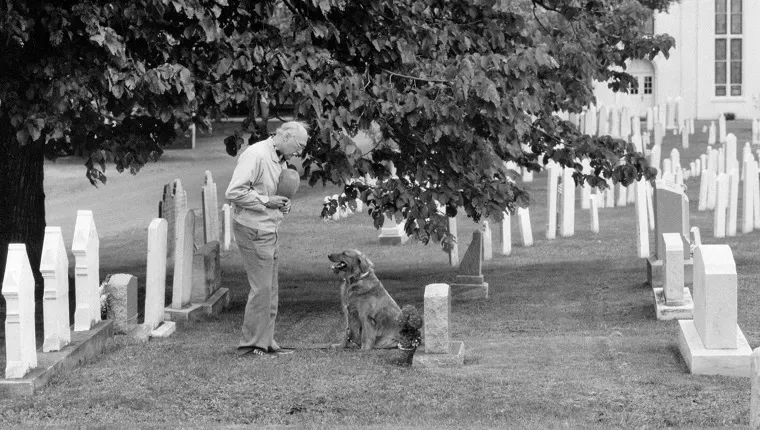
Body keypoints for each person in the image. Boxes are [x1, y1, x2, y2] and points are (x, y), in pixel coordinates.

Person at [225, 121, 308, 357]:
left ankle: (266, 341)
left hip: (269, 228)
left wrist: (281, 202)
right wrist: (266, 201)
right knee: (261, 290)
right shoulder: (256, 155)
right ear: (286, 136)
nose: (300, 152)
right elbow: (234, 192)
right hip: (253, 229)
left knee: (270, 290)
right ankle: (250, 346)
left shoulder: (279, 158)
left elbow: (270, 193)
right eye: (299, 146)